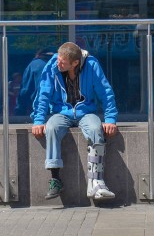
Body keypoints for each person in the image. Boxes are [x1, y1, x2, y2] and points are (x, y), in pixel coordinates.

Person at [31, 41, 118, 201]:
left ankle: (96, 182)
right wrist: (38, 120)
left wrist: (110, 119)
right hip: (61, 112)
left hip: (86, 112)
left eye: (62, 62)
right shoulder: (53, 65)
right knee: (51, 128)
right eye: (58, 59)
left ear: (75, 62)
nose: (59, 63)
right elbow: (43, 93)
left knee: (95, 128)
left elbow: (105, 92)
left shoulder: (91, 65)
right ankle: (55, 179)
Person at [15, 48, 52, 117]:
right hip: (60, 108)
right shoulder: (61, 64)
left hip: (40, 106)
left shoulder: (34, 65)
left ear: (37, 55)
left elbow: (26, 89)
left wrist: (20, 109)